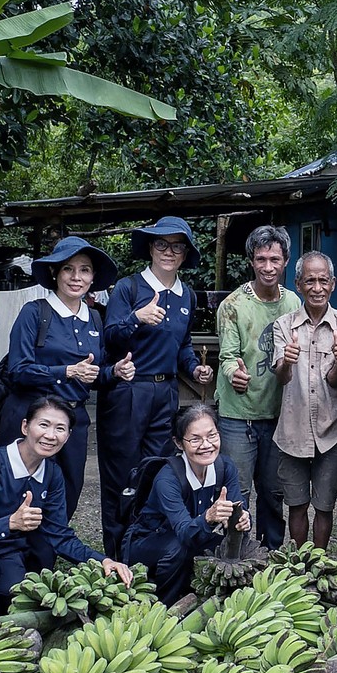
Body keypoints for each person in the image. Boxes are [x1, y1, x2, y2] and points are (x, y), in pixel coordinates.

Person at [0, 397, 134, 615]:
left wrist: (103, 560)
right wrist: (10, 523)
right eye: (43, 425)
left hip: (2, 552)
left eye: (60, 428)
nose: (50, 435)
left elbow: (59, 535)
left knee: (17, 600)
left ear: (68, 436)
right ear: (25, 426)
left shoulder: (52, 474)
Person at [99, 216, 214, 556]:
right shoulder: (129, 288)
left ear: (185, 254)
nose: (168, 252)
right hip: (127, 392)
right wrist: (136, 319)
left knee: (157, 474)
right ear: (150, 248)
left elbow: (182, 345)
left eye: (177, 246)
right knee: (121, 477)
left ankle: (146, 551)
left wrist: (195, 370)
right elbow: (109, 337)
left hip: (166, 395)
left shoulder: (186, 295)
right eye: (162, 244)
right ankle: (115, 557)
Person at [0, 236, 135, 517]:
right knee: (19, 496)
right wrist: (67, 371)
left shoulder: (95, 318)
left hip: (73, 423)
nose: (76, 277)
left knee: (67, 493)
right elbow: (18, 370)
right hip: (31, 419)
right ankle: (14, 558)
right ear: (55, 273)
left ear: (93, 277)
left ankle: (47, 556)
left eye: (84, 269)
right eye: (68, 269)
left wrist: (115, 372)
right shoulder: (35, 313)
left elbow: (93, 375)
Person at [216, 225, 300, 551]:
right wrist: (233, 373)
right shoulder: (233, 305)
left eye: (274, 259)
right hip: (238, 416)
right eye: (261, 259)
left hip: (278, 415)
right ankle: (235, 554)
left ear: (285, 262)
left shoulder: (293, 302)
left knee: (273, 492)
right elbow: (228, 356)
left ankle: (271, 555)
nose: (268, 266)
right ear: (252, 261)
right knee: (237, 492)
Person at [120, 403, 251, 606]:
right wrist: (209, 517)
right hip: (153, 540)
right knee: (177, 548)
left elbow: (237, 510)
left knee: (236, 546)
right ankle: (164, 603)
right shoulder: (168, 479)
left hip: (193, 535)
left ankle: (214, 598)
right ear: (179, 443)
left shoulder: (225, 467)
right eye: (195, 439)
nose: (206, 445)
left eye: (212, 436)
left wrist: (241, 520)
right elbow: (183, 531)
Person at [272, 251, 337, 549]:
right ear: (298, 284)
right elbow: (281, 378)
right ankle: (300, 564)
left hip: (331, 430)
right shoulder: (283, 326)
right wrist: (286, 360)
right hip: (292, 430)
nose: (317, 287)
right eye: (310, 281)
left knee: (324, 506)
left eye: (323, 280)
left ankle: (319, 563)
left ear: (333, 284)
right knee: (296, 505)